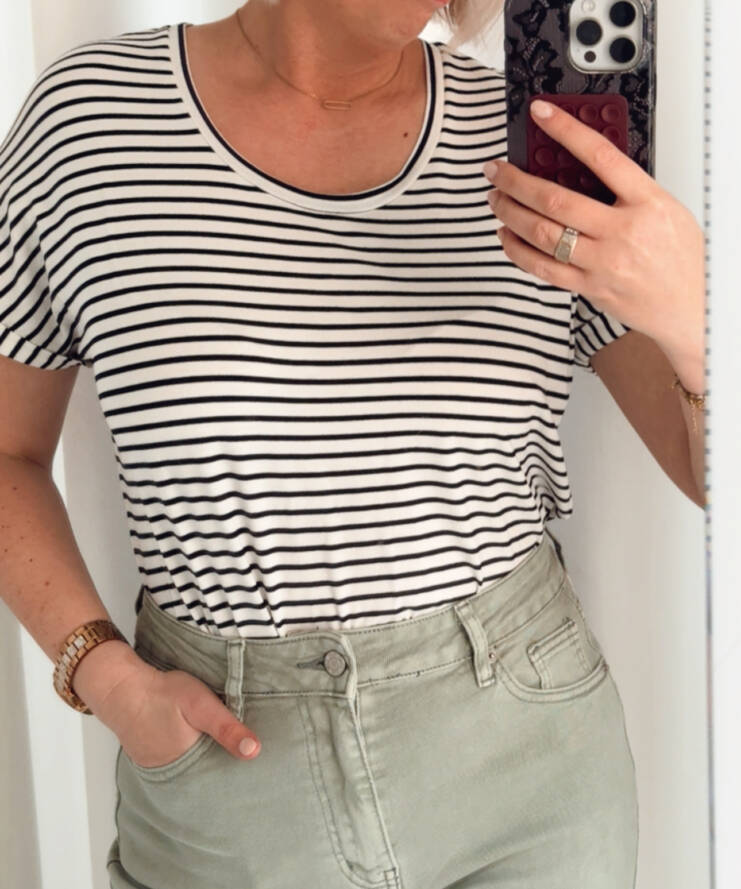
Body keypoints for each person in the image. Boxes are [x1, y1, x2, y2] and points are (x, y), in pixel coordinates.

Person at [0, 1, 705, 887]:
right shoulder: (89, 124)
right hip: (229, 784)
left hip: (529, 771)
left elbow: (704, 471)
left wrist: (693, 315)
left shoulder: (534, 141)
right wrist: (102, 674)